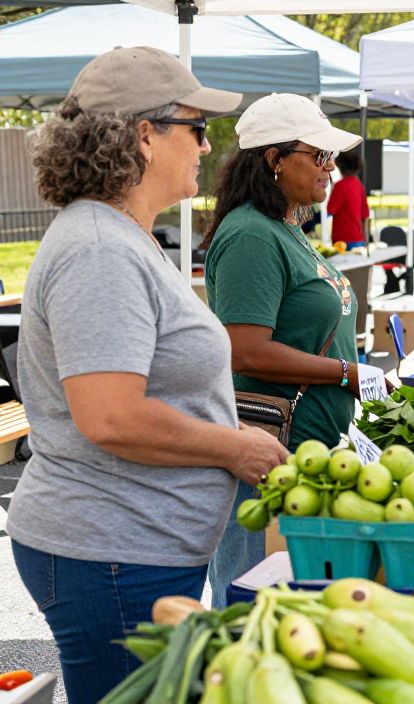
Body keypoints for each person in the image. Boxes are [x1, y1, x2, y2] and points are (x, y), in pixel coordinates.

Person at [6, 47, 288, 704]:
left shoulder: (120, 237)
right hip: (111, 551)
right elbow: (111, 415)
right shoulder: (100, 250)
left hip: (135, 545)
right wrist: (235, 445)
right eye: (195, 126)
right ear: (143, 133)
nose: (205, 143)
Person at [202, 92, 368, 605]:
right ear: (274, 159)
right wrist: (347, 373)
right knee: (252, 607)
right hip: (266, 457)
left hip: (304, 454)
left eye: (331, 156)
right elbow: (245, 350)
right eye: (318, 155)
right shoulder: (252, 235)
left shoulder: (285, 227)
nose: (330, 166)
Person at [327, 148, 370, 248]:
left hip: (343, 241)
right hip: (359, 240)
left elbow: (329, 211)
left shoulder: (340, 186)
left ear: (339, 166)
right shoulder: (359, 186)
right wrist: (366, 240)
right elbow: (365, 216)